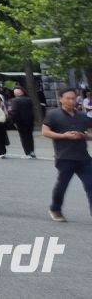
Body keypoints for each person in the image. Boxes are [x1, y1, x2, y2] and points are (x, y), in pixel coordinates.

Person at [42, 87, 92, 223]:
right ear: (61, 99)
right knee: (62, 185)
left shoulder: (82, 116)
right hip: (64, 157)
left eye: (73, 98)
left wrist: (84, 136)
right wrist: (64, 136)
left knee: (90, 185)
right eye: (68, 98)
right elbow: (45, 132)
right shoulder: (53, 114)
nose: (71, 101)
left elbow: (90, 134)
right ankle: (55, 209)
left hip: (83, 157)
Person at [10, 87, 37, 159]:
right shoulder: (29, 99)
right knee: (30, 136)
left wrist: (13, 121)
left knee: (24, 137)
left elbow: (14, 112)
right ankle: (32, 151)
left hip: (20, 121)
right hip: (30, 120)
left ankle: (27, 153)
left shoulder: (14, 100)